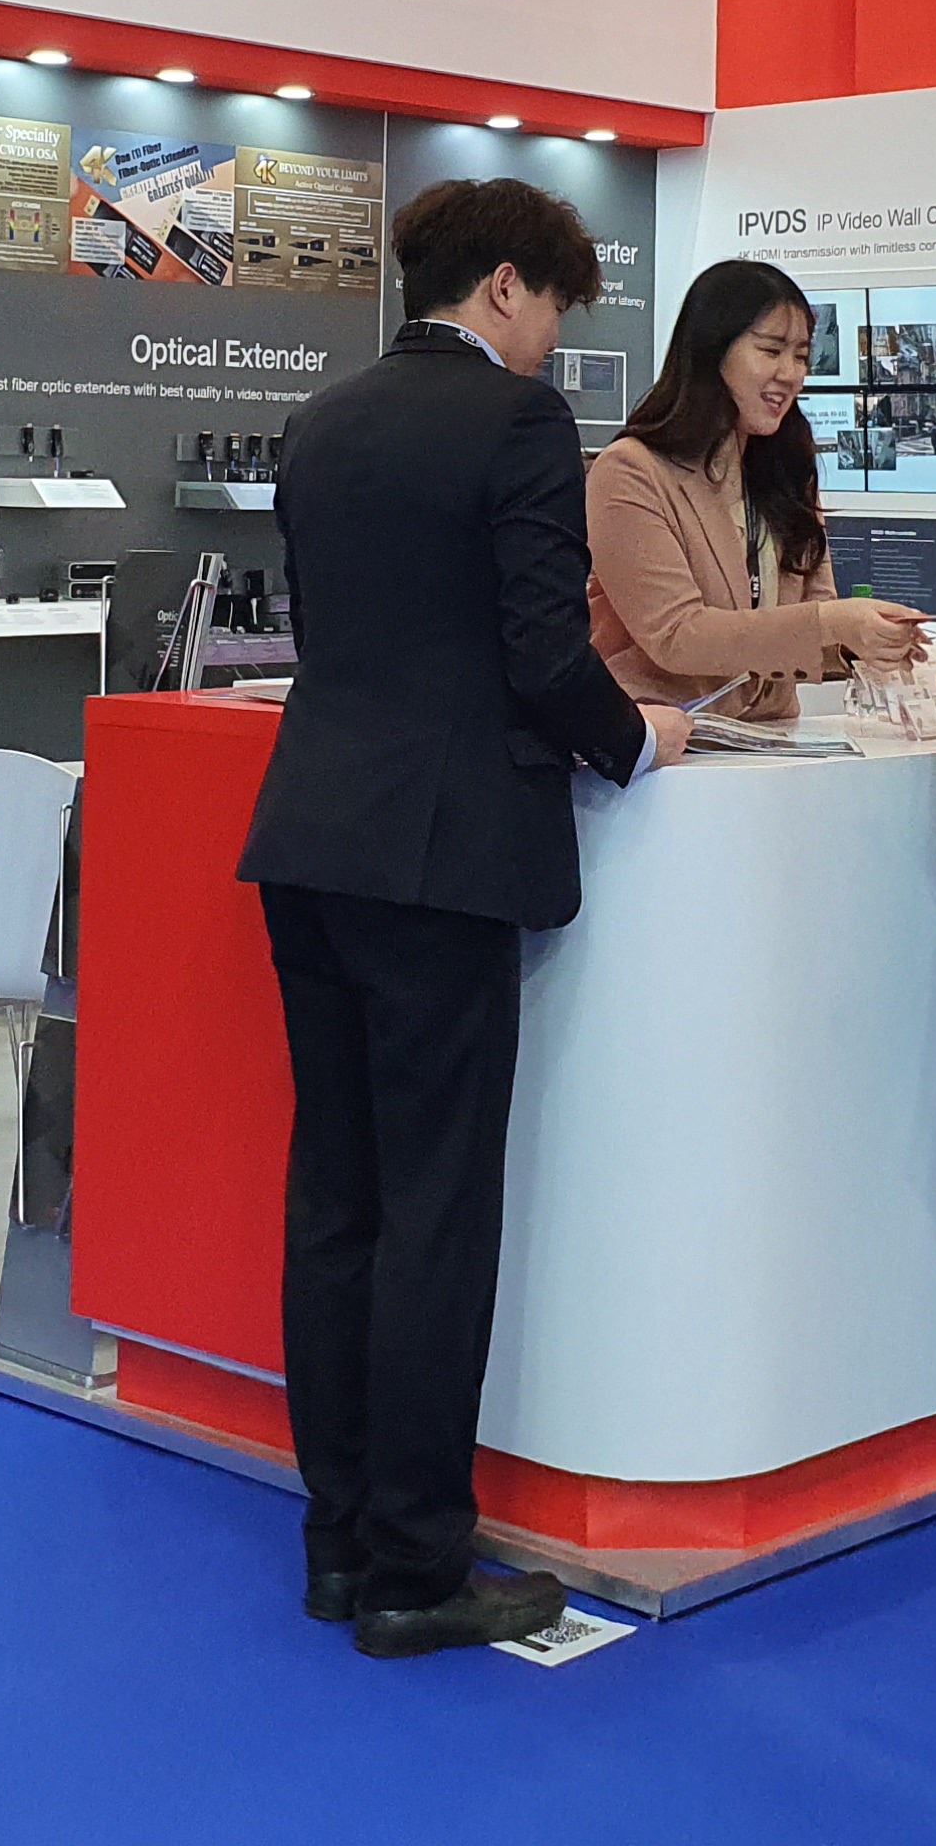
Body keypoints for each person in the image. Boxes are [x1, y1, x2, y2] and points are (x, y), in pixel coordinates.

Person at [239, 178, 688, 1658]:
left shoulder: (325, 419)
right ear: (504, 285)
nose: (556, 337)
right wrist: (637, 742)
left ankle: (339, 1541)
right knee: (435, 1213)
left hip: (311, 837)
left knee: (337, 1199)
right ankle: (418, 1566)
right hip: (441, 860)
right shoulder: (517, 422)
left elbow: (339, 634)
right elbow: (540, 653)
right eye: (554, 305)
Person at [584, 255, 925, 717]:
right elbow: (677, 636)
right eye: (771, 351)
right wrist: (832, 623)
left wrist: (861, 642)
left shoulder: (786, 468)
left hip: (772, 742)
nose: (791, 373)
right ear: (713, 351)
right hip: (667, 745)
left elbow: (809, 621)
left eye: (801, 355)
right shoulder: (630, 471)